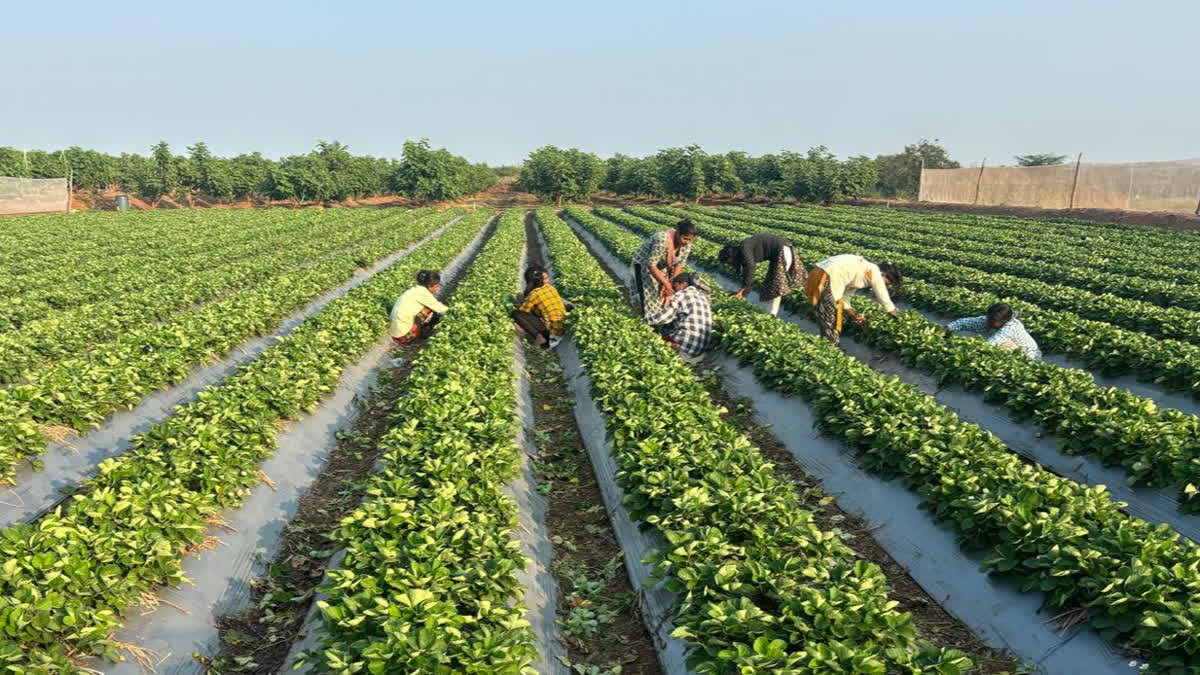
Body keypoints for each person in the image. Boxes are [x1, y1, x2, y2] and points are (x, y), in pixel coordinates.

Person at [804, 254, 902, 346]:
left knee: (826, 315)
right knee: (830, 317)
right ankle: (830, 347)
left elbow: (845, 298)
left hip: (819, 272)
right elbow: (883, 295)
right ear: (884, 274)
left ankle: (828, 344)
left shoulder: (861, 271)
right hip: (827, 276)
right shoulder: (875, 271)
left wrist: (854, 316)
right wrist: (895, 316)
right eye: (887, 283)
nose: (885, 285)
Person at [718, 233, 806, 316]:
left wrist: (745, 288)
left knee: (777, 284)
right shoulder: (742, 252)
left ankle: (772, 314)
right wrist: (744, 291)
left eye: (728, 262)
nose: (730, 264)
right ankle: (769, 312)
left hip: (782, 251)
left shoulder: (744, 248)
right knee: (771, 283)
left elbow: (750, 267)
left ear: (730, 255)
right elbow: (746, 271)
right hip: (778, 254)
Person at [630, 219, 696, 316]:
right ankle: (647, 317)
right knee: (649, 294)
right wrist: (666, 283)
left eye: (690, 239)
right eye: (685, 238)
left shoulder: (687, 245)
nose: (687, 242)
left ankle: (658, 316)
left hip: (662, 265)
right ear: (677, 233)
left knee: (664, 293)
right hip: (643, 264)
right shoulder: (662, 239)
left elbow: (679, 264)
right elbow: (651, 264)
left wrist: (672, 283)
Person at [645, 272, 712, 364]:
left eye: (675, 286)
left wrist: (645, 320)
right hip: (699, 349)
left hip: (685, 346)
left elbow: (665, 317)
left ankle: (676, 350)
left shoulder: (682, 294)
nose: (674, 290)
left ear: (683, 284)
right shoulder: (703, 297)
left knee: (653, 339)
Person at [945, 302, 1042, 360]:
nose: (988, 322)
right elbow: (965, 322)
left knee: (1002, 346)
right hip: (1010, 349)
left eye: (992, 321)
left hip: (1029, 356)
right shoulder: (990, 320)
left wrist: (962, 352)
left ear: (1004, 321)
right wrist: (948, 328)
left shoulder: (1010, 328)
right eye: (988, 318)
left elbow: (990, 345)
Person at [513, 265, 571, 348]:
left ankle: (539, 336)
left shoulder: (534, 293)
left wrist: (518, 302)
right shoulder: (551, 288)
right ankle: (542, 337)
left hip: (551, 333)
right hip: (561, 329)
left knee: (517, 314)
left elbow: (523, 310)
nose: (547, 280)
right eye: (546, 278)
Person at [389, 269, 448, 346]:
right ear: (429, 286)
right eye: (436, 286)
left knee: (428, 308)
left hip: (395, 332)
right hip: (404, 337)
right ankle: (423, 333)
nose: (437, 289)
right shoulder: (423, 293)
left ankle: (419, 330)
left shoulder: (414, 290)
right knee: (431, 309)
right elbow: (442, 309)